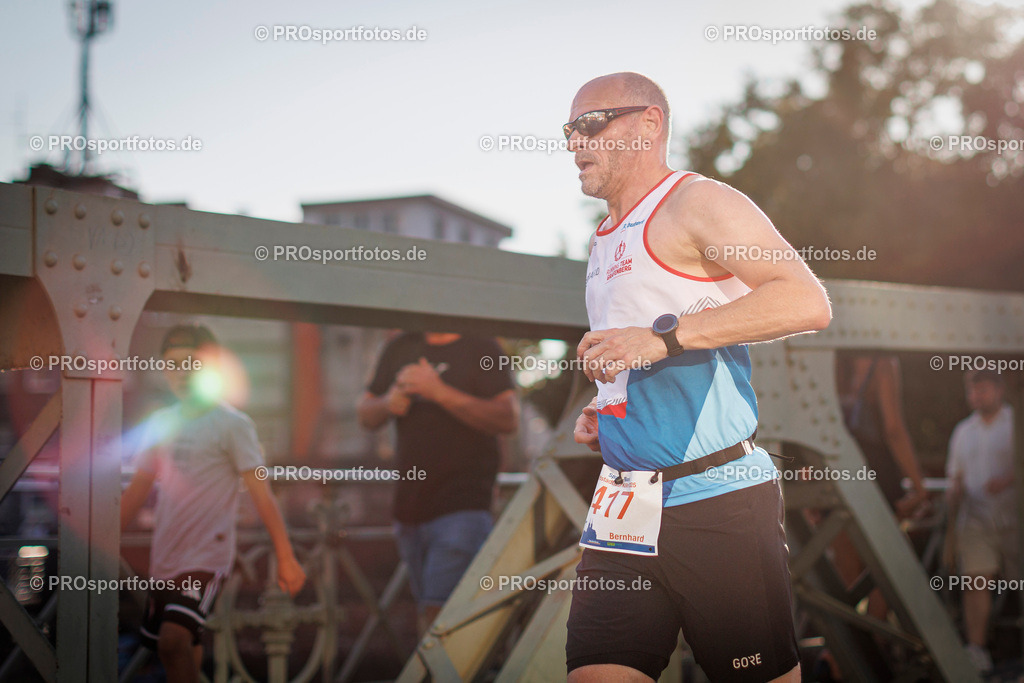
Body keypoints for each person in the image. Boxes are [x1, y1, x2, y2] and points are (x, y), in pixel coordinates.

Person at [567, 72, 831, 683]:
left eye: (591, 125)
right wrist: (607, 407)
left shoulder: (698, 202)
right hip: (623, 504)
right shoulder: (603, 237)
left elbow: (804, 301)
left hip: (716, 499)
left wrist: (662, 340)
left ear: (648, 124)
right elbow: (639, 352)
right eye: (568, 130)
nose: (575, 143)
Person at [121, 325, 306, 683]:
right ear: (163, 369)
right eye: (173, 364)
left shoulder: (231, 424)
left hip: (205, 557)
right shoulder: (160, 424)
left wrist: (285, 556)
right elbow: (138, 490)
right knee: (183, 646)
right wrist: (97, 539)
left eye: (192, 362)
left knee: (172, 644)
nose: (183, 372)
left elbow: (261, 493)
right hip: (166, 557)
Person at [357, 331, 519, 634]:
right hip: (408, 511)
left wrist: (438, 392)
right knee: (431, 617)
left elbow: (508, 418)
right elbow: (366, 414)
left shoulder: (481, 346)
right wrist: (388, 402)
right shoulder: (400, 346)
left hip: (463, 506)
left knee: (440, 620)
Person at [945, 369, 1017, 673]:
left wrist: (1009, 480)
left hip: (1016, 519)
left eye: (984, 389)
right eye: (973, 390)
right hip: (975, 520)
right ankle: (977, 651)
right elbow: (955, 478)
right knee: (976, 582)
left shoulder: (1017, 422)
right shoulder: (963, 431)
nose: (978, 395)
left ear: (999, 390)